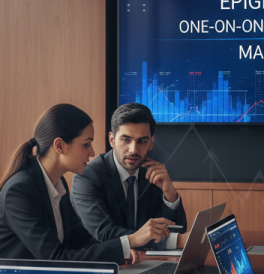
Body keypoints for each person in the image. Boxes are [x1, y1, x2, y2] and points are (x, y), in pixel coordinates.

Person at [0, 103, 138, 265]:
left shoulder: (57, 183)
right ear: (59, 145)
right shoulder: (19, 191)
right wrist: (128, 242)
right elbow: (56, 259)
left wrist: (123, 251)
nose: (92, 152)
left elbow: (79, 241)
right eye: (86, 144)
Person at [71, 103, 187, 255]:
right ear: (112, 140)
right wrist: (175, 241)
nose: (133, 150)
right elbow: (105, 234)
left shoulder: (152, 172)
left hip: (143, 263)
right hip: (104, 266)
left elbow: (178, 230)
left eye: (142, 141)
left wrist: (170, 195)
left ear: (151, 142)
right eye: (126, 140)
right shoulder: (87, 176)